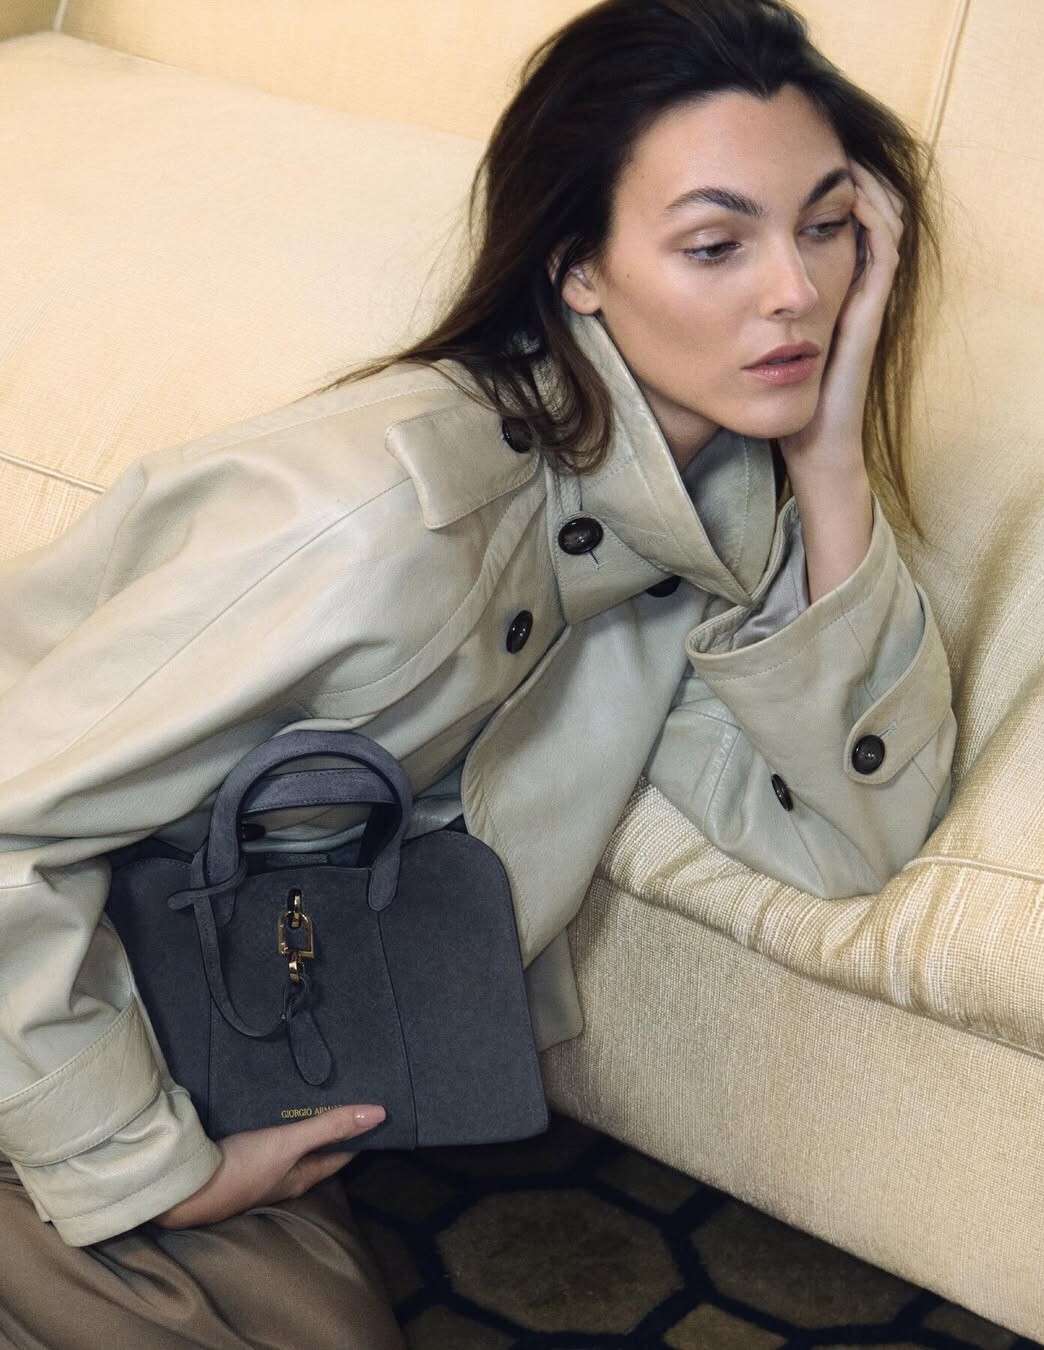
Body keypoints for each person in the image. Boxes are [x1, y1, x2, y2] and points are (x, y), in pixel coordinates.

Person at [0, 0, 957, 1344]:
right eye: (715, 243)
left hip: (183, 1024)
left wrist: (835, 456)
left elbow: (853, 834)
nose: (795, 291)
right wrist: (148, 1170)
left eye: (826, 225)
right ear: (577, 267)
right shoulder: (381, 527)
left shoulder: (700, 525)